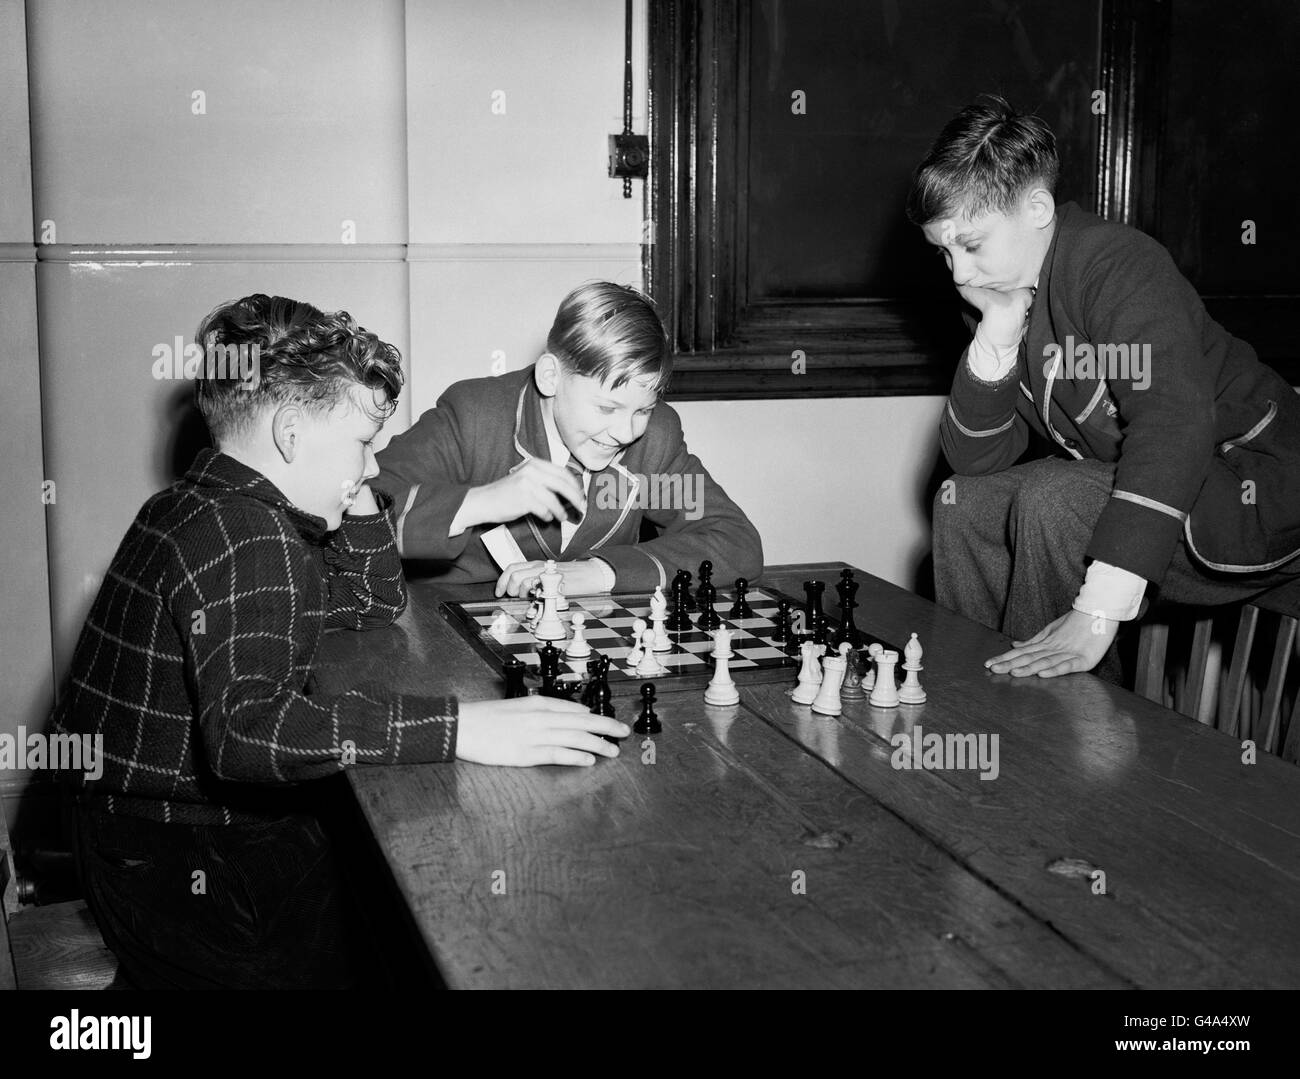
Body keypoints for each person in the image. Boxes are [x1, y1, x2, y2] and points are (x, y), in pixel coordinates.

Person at [52, 294, 626, 990]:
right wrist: (462, 728)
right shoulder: (250, 536)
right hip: (181, 859)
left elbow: (371, 599)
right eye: (362, 444)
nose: (373, 467)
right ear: (291, 434)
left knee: (359, 871)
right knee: (385, 924)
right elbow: (249, 733)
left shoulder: (209, 503)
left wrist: (351, 487)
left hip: (129, 837)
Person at [910, 96, 1300, 681]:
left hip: (1252, 485)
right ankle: (978, 695)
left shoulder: (1114, 262)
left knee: (1054, 497)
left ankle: (1050, 724)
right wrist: (996, 335)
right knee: (964, 503)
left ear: (1037, 208)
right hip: (1170, 483)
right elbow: (976, 462)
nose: (959, 274)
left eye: (971, 244)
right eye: (944, 253)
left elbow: (1174, 423)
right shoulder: (999, 295)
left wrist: (1097, 611)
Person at [375, 281, 763, 597]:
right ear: (551, 377)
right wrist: (480, 502)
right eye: (607, 408)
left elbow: (736, 542)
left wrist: (601, 572)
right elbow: (362, 512)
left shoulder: (654, 442)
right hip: (446, 630)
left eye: (643, 410)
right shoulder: (474, 417)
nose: (626, 432)